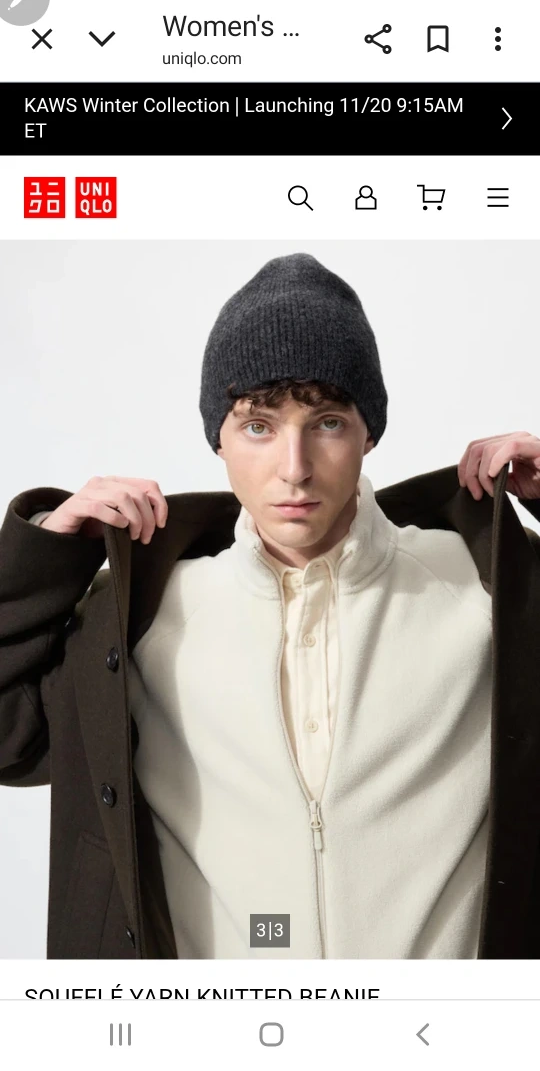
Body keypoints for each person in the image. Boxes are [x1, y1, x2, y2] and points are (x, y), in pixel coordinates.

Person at [1, 252, 540, 960]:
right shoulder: (145, 613)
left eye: (327, 422)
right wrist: (48, 555)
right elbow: (10, 740)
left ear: (369, 431)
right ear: (218, 439)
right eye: (258, 425)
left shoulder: (481, 584)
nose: (294, 467)